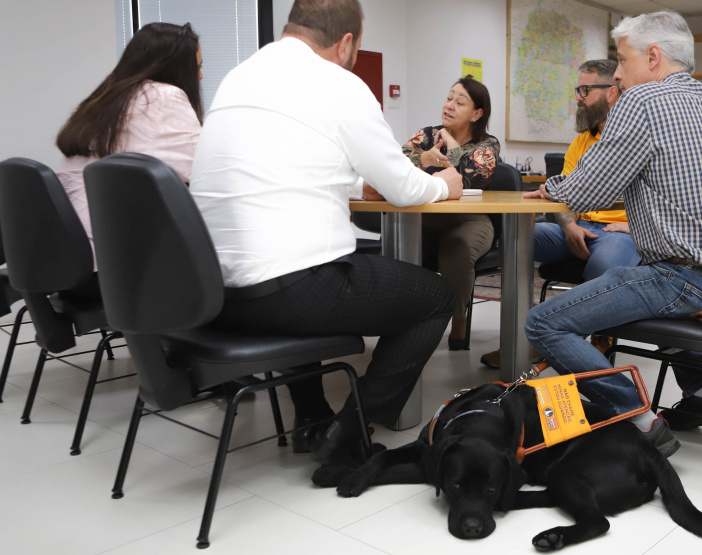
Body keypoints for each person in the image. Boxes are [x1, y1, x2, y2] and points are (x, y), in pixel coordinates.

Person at [190, 0, 464, 467]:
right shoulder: (340, 83)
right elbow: (404, 187)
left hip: (214, 293)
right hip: (288, 294)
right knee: (437, 296)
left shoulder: (238, 77)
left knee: (296, 260)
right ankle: (349, 433)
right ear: (346, 43)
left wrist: (356, 184)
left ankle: (311, 417)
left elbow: (281, 162)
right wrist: (445, 185)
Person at [524, 11, 702, 458]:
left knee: (544, 323)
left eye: (623, 60)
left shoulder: (643, 100)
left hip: (686, 279)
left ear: (652, 57)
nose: (617, 75)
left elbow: (587, 190)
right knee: (643, 276)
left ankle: (638, 418)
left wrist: (551, 187)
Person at [480, 58, 640, 370]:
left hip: (619, 232)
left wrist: (635, 227)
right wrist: (569, 226)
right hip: (582, 227)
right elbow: (566, 195)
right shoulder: (581, 142)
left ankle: (589, 342)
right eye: (577, 90)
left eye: (585, 90)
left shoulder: (634, 139)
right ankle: (520, 342)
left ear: (612, 92)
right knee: (517, 238)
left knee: (604, 265)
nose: (578, 98)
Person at [56, 22, 203, 270]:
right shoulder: (163, 97)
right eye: (197, 67)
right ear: (177, 68)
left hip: (70, 249)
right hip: (114, 258)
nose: (199, 76)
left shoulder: (105, 98)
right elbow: (202, 170)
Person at [401, 78, 500, 350]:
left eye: (460, 102)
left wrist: (452, 145)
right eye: (449, 98)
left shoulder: (487, 145)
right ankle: (405, 320)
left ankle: (458, 317)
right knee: (400, 245)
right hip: (425, 216)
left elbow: (469, 179)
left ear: (476, 114)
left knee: (457, 247)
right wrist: (424, 159)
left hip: (469, 220)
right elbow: (396, 165)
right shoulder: (426, 136)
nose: (450, 105)